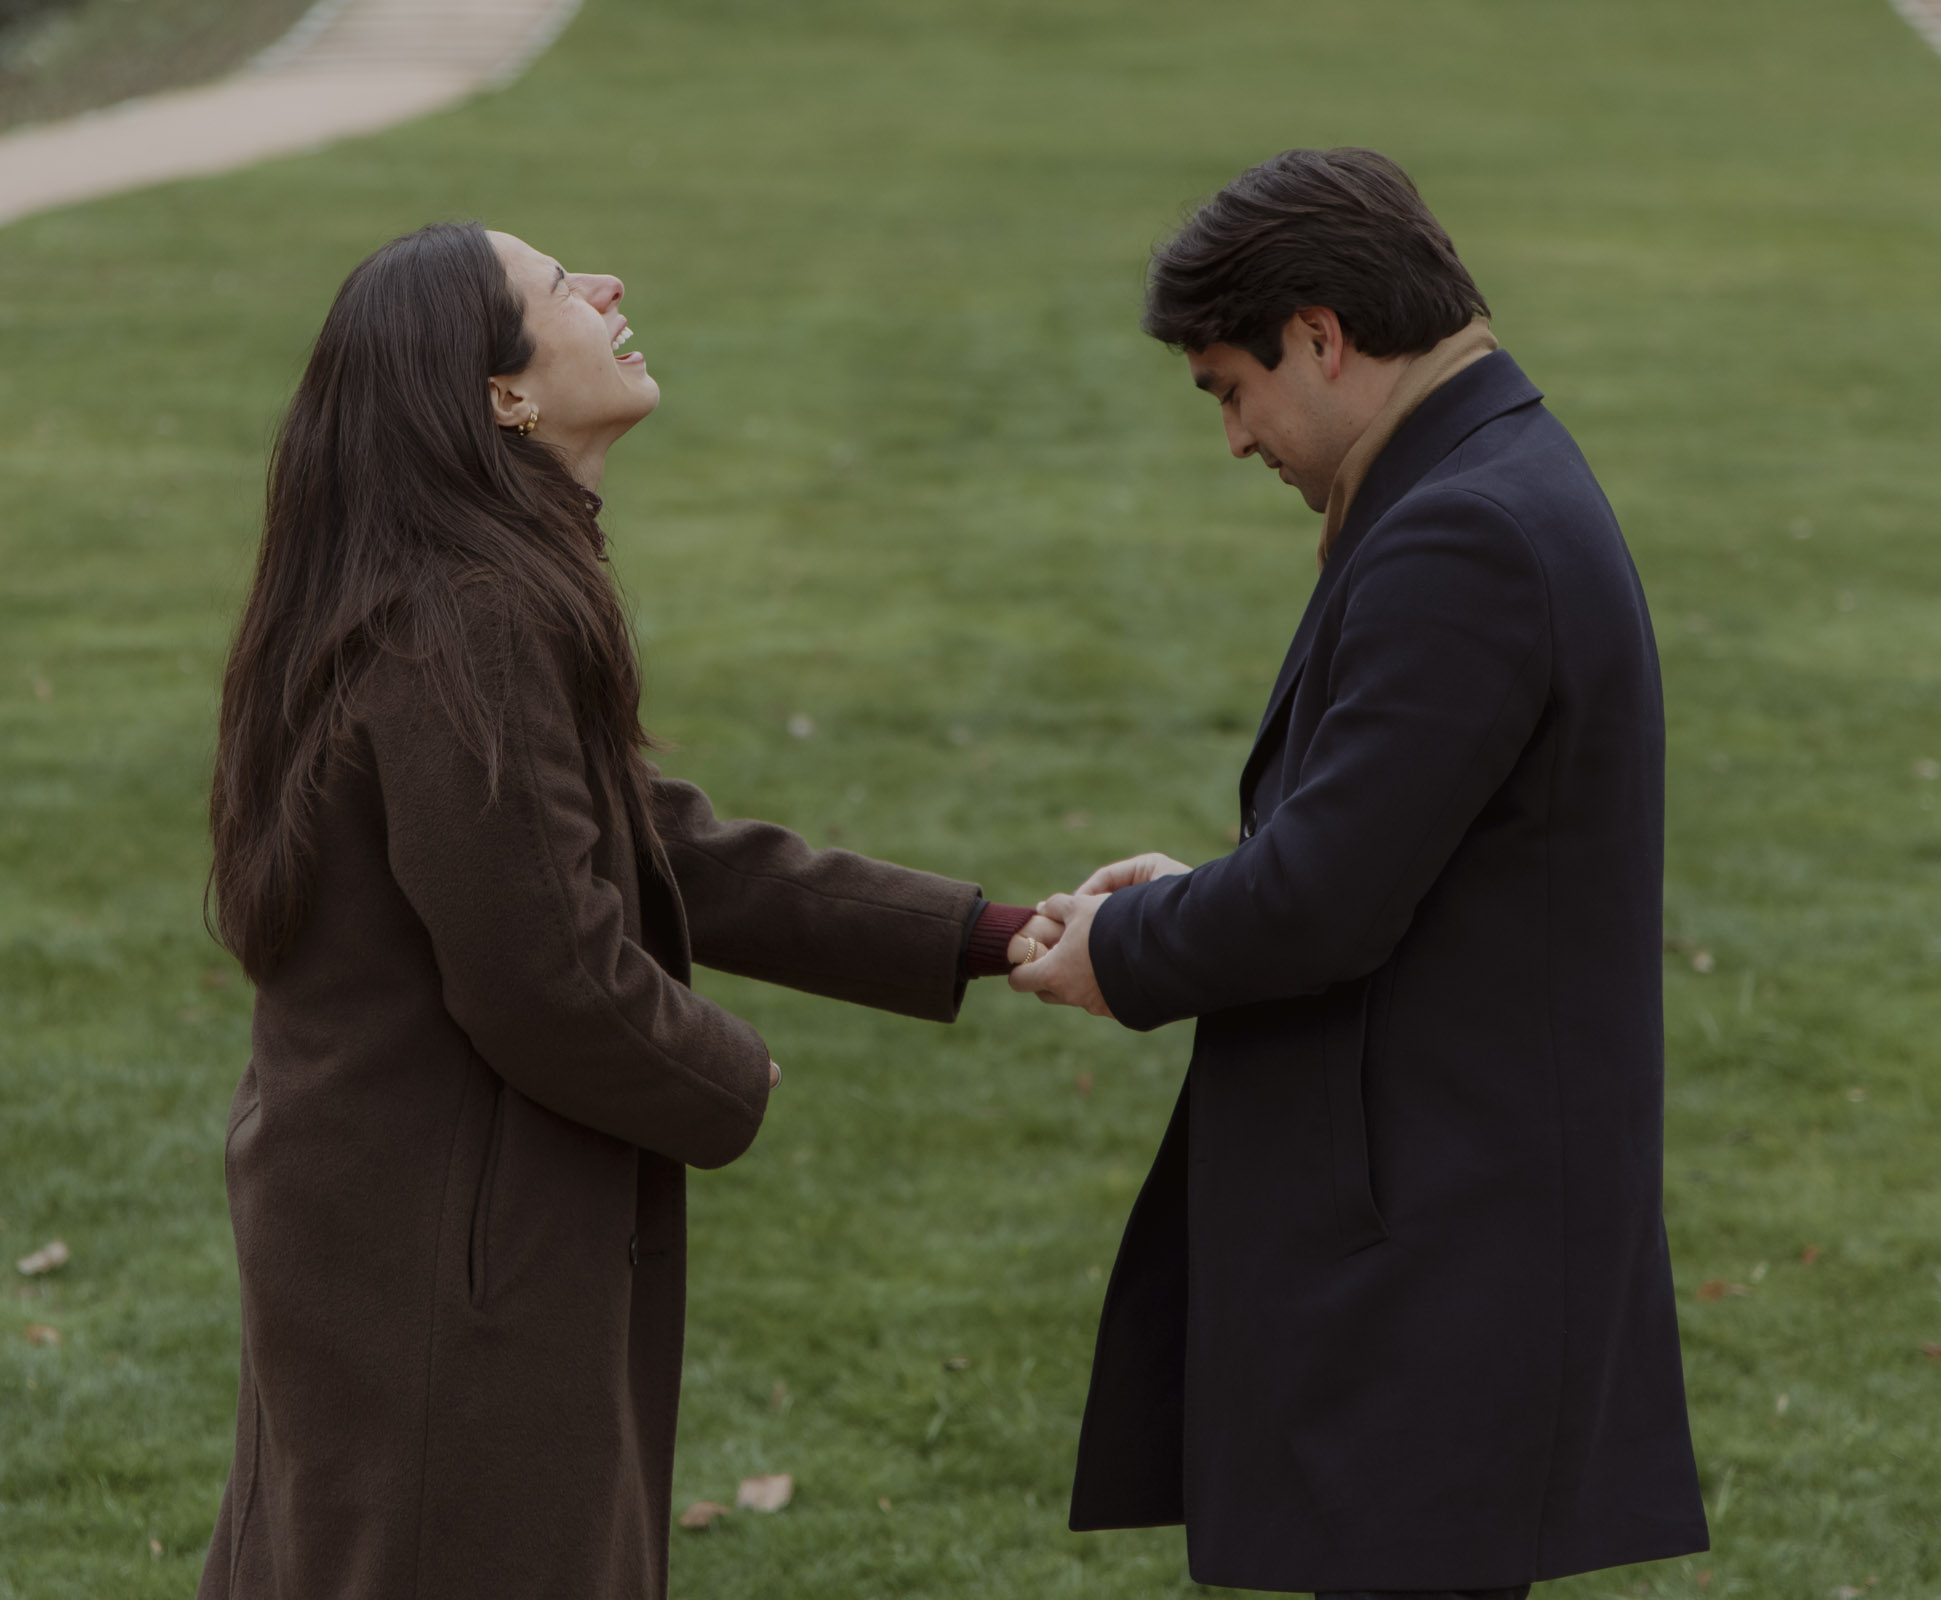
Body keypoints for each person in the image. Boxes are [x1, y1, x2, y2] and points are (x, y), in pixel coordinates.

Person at [196, 220, 1051, 1600]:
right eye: (556, 288)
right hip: (440, 1253)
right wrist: (730, 1074)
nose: (606, 289)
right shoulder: (468, 614)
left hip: (394, 1216)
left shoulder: (455, 591)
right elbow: (544, 971)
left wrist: (986, 932)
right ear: (503, 397)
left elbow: (647, 843)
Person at [1011, 149, 1708, 1596]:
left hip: (1447, 1254)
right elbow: (1395, 845)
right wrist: (1204, 891)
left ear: (1320, 336)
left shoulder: (1466, 528)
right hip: (1458, 1227)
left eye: (1229, 389)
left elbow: (1328, 898)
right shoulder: (1484, 473)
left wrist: (1121, 954)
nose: (1235, 439)